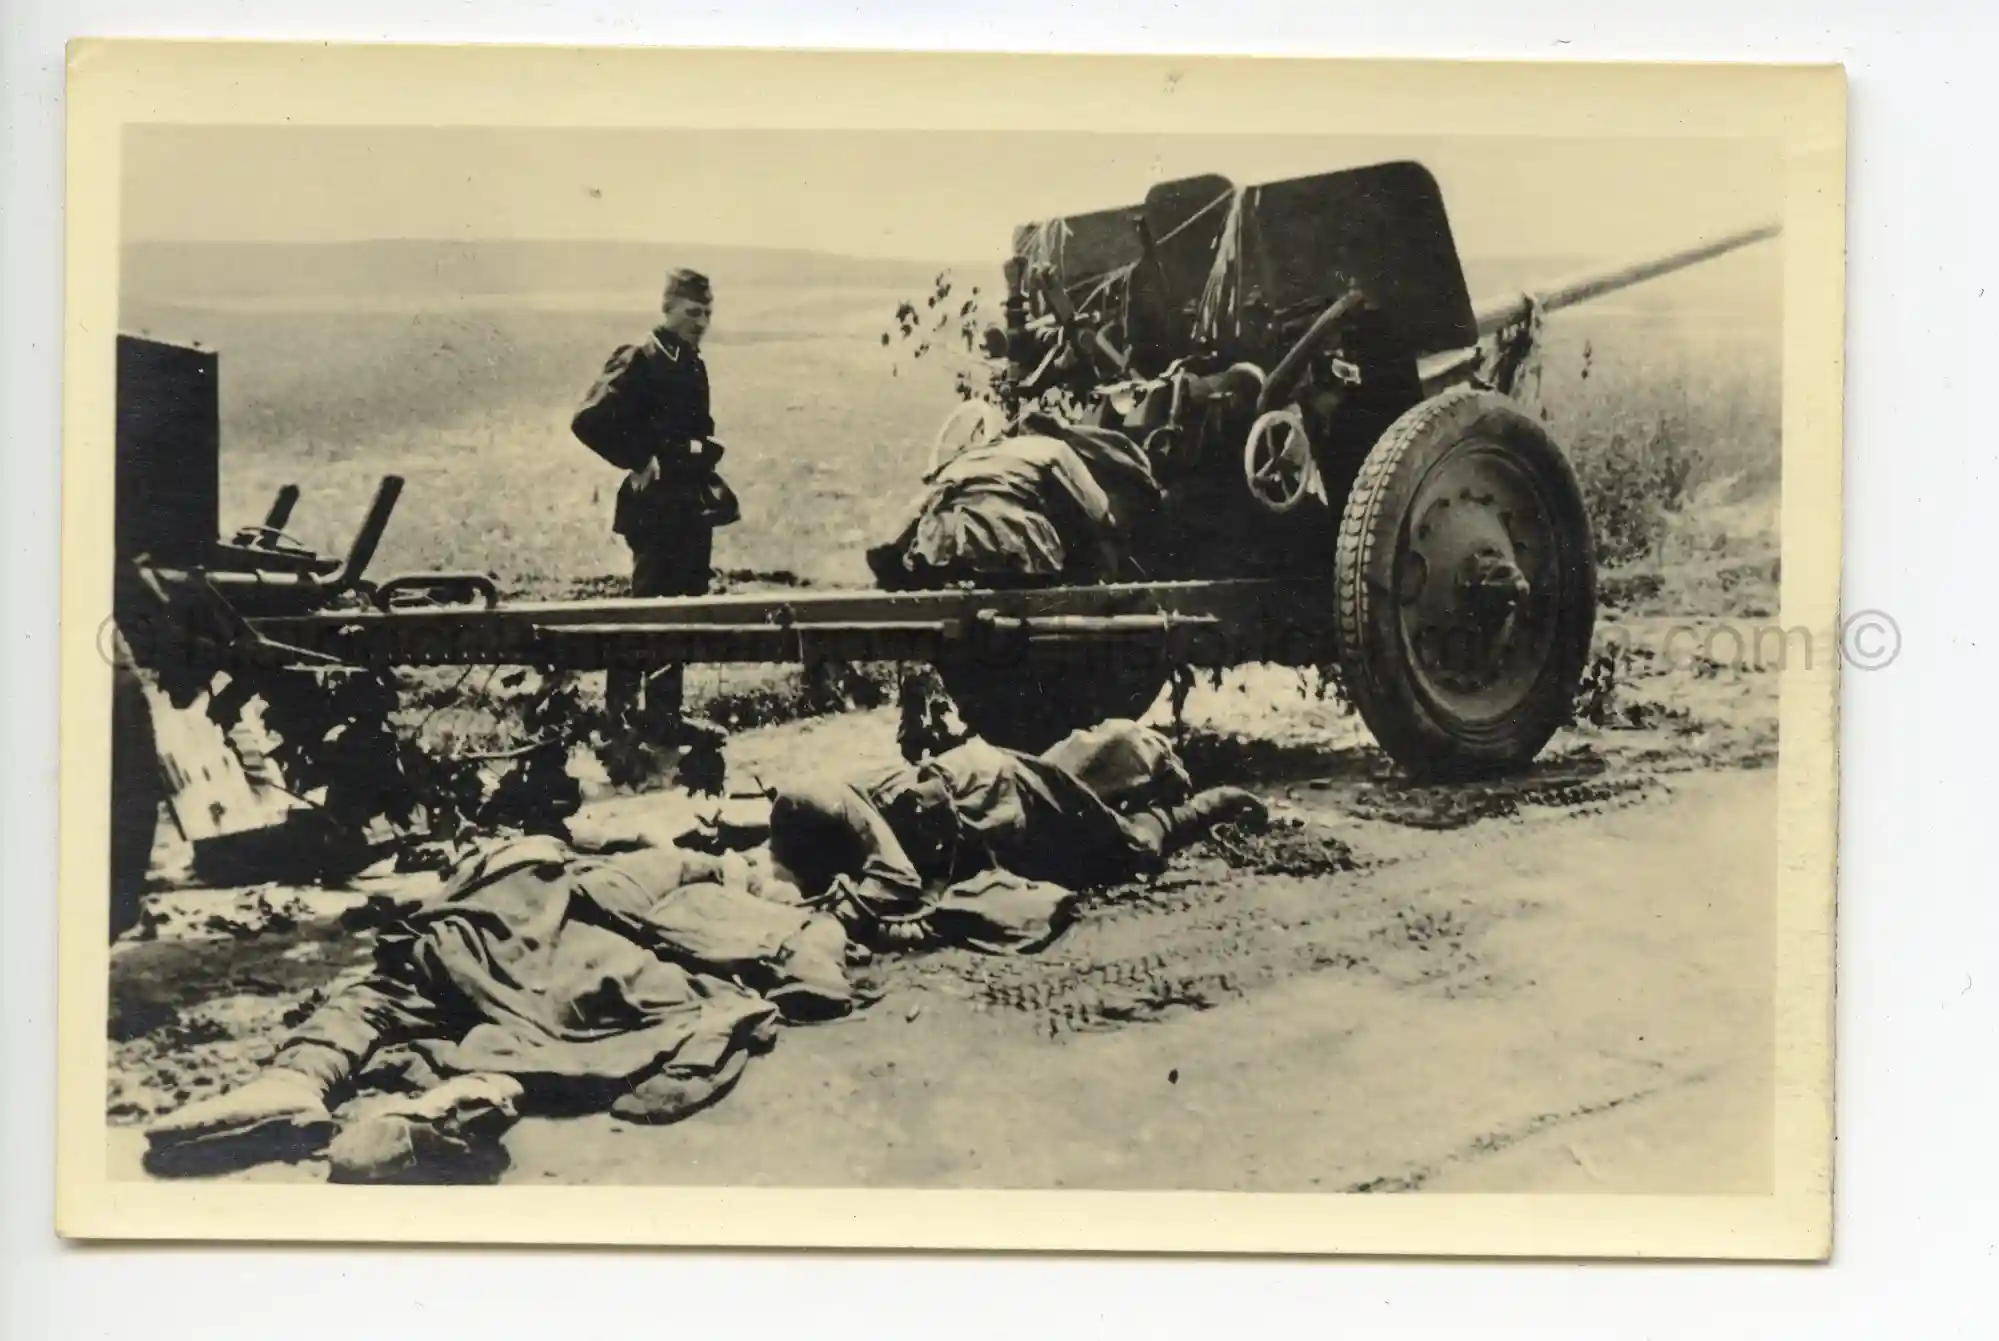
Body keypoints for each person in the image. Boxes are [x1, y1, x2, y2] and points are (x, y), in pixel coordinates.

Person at [142, 834, 855, 1182]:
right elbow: (786, 967)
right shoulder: (689, 874)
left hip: (449, 943)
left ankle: (297, 1083)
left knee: (381, 1004)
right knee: (561, 1018)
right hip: (542, 955)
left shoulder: (601, 862)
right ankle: (466, 1098)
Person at [766, 718, 1267, 953]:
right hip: (976, 814)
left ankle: (1207, 806)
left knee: (1130, 852)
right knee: (1081, 835)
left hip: (997, 794)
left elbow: (893, 878)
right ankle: (1132, 780)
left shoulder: (834, 803)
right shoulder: (799, 815)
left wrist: (834, 915)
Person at [570, 267, 737, 754]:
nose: (701, 321)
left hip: (689, 505)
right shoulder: (641, 357)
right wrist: (639, 457)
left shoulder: (691, 362)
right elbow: (588, 420)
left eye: (707, 313)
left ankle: (664, 718)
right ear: (667, 309)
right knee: (646, 612)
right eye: (692, 312)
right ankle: (618, 723)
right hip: (656, 508)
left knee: (680, 612)